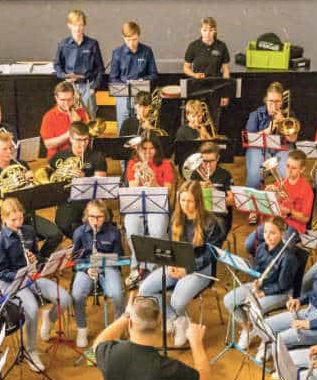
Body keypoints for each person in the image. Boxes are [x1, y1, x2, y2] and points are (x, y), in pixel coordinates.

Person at [138, 182, 224, 348]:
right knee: (145, 290)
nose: (186, 205)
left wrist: (187, 269)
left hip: (201, 268)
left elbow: (211, 255)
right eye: (183, 200)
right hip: (176, 263)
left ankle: (178, 315)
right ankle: (178, 319)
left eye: (190, 201)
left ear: (198, 201)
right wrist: (170, 264)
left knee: (177, 301)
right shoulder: (176, 217)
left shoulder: (211, 223)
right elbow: (170, 246)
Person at [0, 197, 67, 369]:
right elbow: (0, 272)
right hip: (12, 282)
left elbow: (38, 257)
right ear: (4, 219)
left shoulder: (29, 231)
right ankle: (32, 350)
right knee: (31, 309)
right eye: (13, 220)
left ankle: (49, 319)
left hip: (31, 277)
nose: (18, 223)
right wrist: (21, 274)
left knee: (65, 298)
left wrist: (34, 260)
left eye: (20, 218)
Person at [225, 217, 303, 349]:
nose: (268, 236)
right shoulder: (261, 248)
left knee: (253, 309)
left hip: (282, 293)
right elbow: (257, 270)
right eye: (265, 231)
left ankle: (265, 339)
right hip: (262, 285)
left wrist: (264, 292)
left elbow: (283, 285)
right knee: (229, 300)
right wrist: (256, 282)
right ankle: (247, 328)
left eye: (273, 233)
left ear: (282, 234)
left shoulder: (288, 257)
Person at [264, 236, 317, 354]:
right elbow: (314, 293)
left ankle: (274, 354)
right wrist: (299, 300)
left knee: (280, 340)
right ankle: (270, 350)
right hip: (310, 312)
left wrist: (308, 324)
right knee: (267, 325)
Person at [69, 200, 125, 349]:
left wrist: (103, 258)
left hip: (108, 267)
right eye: (92, 217)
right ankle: (82, 328)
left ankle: (118, 326)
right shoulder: (79, 233)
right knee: (77, 294)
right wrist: (86, 269)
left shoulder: (114, 232)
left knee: (117, 294)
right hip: (86, 268)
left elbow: (120, 257)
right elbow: (74, 259)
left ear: (105, 216)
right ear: (86, 216)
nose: (96, 221)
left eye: (99, 217)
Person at [49, 120, 108, 235]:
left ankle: (85, 241)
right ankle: (82, 241)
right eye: (78, 140)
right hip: (68, 199)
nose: (82, 144)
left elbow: (100, 189)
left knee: (99, 221)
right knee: (63, 224)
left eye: (86, 139)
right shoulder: (60, 156)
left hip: (90, 200)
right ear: (70, 139)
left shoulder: (97, 157)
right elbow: (49, 174)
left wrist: (84, 179)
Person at [121, 135, 174, 243]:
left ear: (157, 149)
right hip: (137, 207)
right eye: (144, 149)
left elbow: (168, 192)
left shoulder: (166, 164)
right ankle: (137, 258)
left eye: (152, 148)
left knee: (158, 232)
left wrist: (154, 183)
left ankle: (157, 259)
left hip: (158, 207)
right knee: (132, 231)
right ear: (139, 150)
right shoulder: (132, 163)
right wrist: (137, 176)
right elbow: (132, 189)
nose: (148, 152)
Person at [108, 19, 158, 131]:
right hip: (123, 96)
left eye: (134, 39)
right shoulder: (117, 53)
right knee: (123, 126)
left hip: (142, 96)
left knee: (141, 126)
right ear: (123, 38)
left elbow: (154, 74)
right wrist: (125, 85)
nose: (131, 43)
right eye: (128, 40)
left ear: (139, 36)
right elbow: (113, 78)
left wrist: (142, 81)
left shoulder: (147, 51)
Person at [52, 9, 103, 114]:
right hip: (70, 86)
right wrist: (64, 76)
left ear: (84, 26)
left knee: (89, 116)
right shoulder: (63, 44)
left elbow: (100, 68)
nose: (78, 28)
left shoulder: (92, 44)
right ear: (69, 25)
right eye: (75, 25)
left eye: (81, 25)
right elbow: (57, 65)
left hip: (87, 86)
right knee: (70, 116)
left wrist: (93, 88)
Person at [242, 81, 290, 187]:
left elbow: (293, 139)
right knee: (254, 176)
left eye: (277, 101)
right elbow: (248, 139)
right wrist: (268, 130)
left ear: (282, 102)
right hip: (258, 148)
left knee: (286, 175)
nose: (274, 105)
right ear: (266, 100)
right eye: (271, 101)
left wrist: (283, 123)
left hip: (282, 149)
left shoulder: (288, 115)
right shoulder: (255, 115)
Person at [39, 80, 91, 159]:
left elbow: (89, 138)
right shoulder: (48, 116)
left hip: (80, 156)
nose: (66, 103)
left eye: (69, 99)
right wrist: (71, 132)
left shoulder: (81, 113)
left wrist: (79, 123)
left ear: (73, 98)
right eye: (62, 100)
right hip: (57, 158)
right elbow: (48, 145)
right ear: (56, 98)